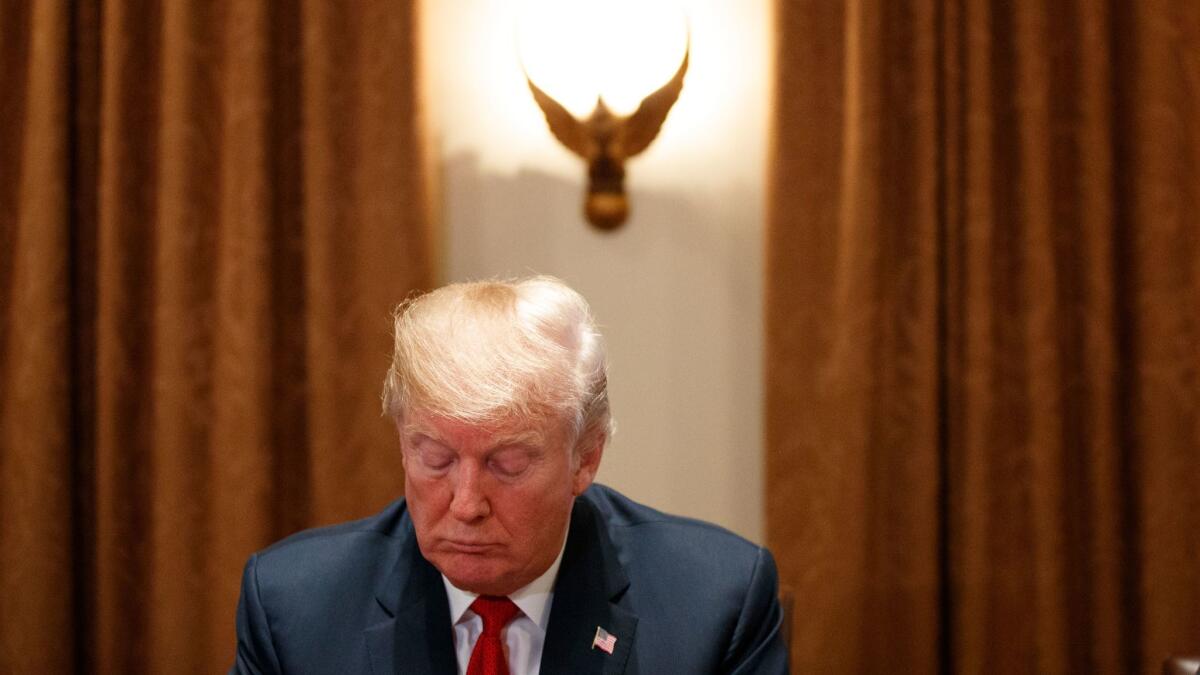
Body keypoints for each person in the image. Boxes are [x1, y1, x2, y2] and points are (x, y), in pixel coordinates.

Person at [230, 276, 789, 674]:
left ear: (585, 457)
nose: (467, 503)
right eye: (436, 459)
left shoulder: (717, 604)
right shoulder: (293, 609)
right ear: (403, 446)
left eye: (508, 463)